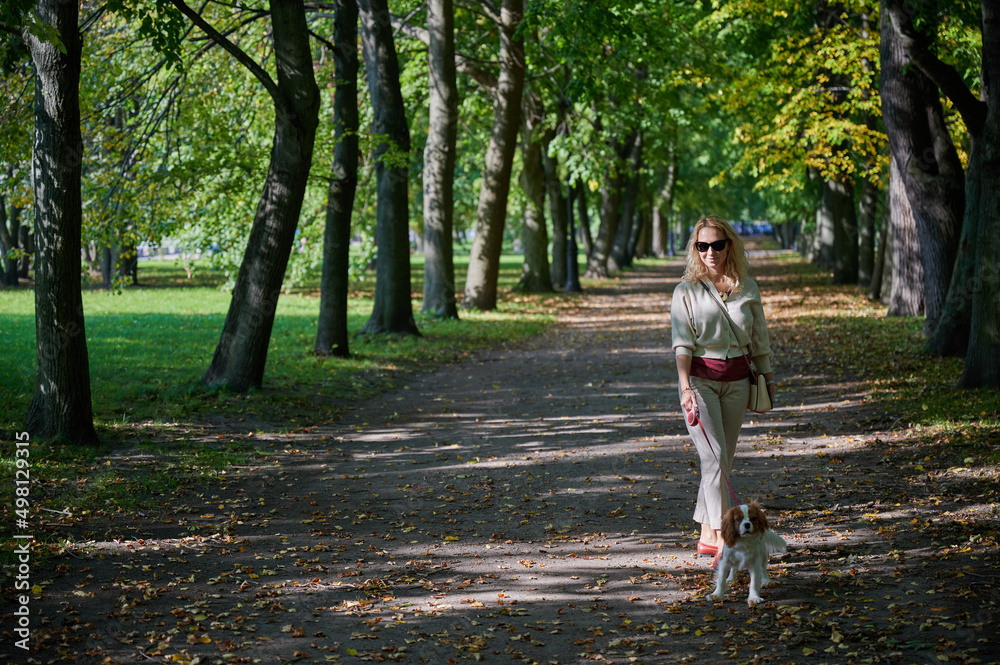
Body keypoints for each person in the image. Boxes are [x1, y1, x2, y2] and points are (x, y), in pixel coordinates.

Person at [670, 216, 775, 564]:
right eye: (702, 246)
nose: (710, 253)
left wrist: (767, 378)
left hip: (738, 384)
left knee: (721, 462)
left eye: (717, 245)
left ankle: (704, 535)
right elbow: (682, 345)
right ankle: (720, 536)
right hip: (700, 382)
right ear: (695, 249)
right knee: (713, 456)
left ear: (729, 245)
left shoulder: (748, 288)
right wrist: (684, 387)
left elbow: (759, 339)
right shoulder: (685, 291)